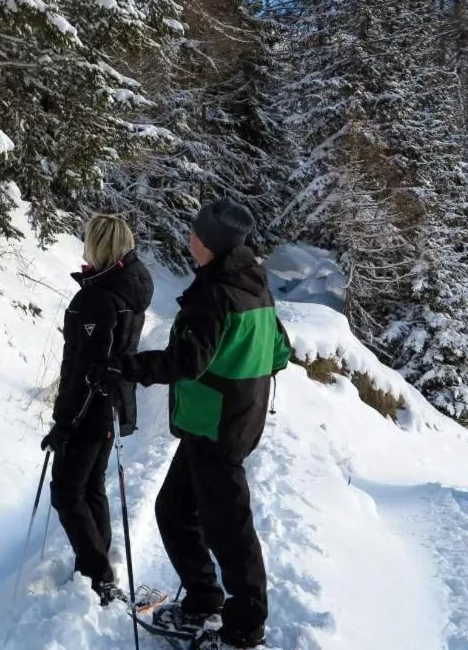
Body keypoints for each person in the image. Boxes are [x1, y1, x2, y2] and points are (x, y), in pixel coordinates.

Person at [124, 197, 292, 649]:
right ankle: (202, 601)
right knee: (175, 511)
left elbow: (187, 361)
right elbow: (281, 352)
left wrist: (132, 367)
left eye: (195, 235)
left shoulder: (215, 292)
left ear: (212, 244)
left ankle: (243, 631)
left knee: (229, 529)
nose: (189, 240)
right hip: (229, 420)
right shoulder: (253, 283)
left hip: (218, 426)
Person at [40, 213, 153, 606]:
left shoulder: (99, 297)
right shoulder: (125, 287)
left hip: (90, 407)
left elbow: (87, 369)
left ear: (99, 245)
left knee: (67, 493)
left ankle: (97, 576)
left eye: (88, 239)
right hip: (109, 404)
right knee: (89, 487)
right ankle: (96, 566)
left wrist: (64, 423)